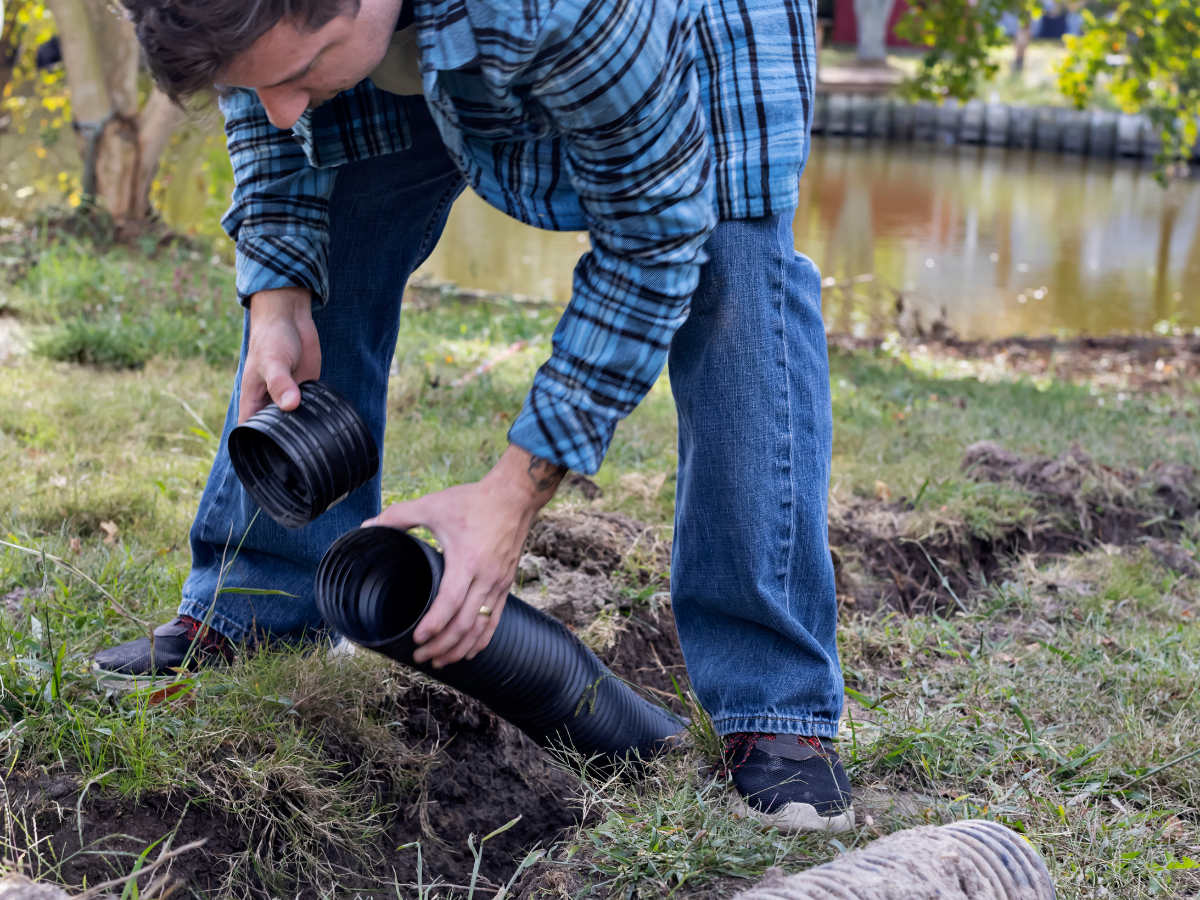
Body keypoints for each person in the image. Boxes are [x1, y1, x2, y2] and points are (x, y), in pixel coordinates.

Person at [96, 0, 851, 832]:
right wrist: (278, 294)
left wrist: (513, 493)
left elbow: (654, 233)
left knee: (731, 270)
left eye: (295, 73)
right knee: (337, 212)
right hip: (413, 32)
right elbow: (262, 88)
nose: (278, 103)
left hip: (680, 32)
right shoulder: (274, 23)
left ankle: (775, 709)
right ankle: (260, 604)